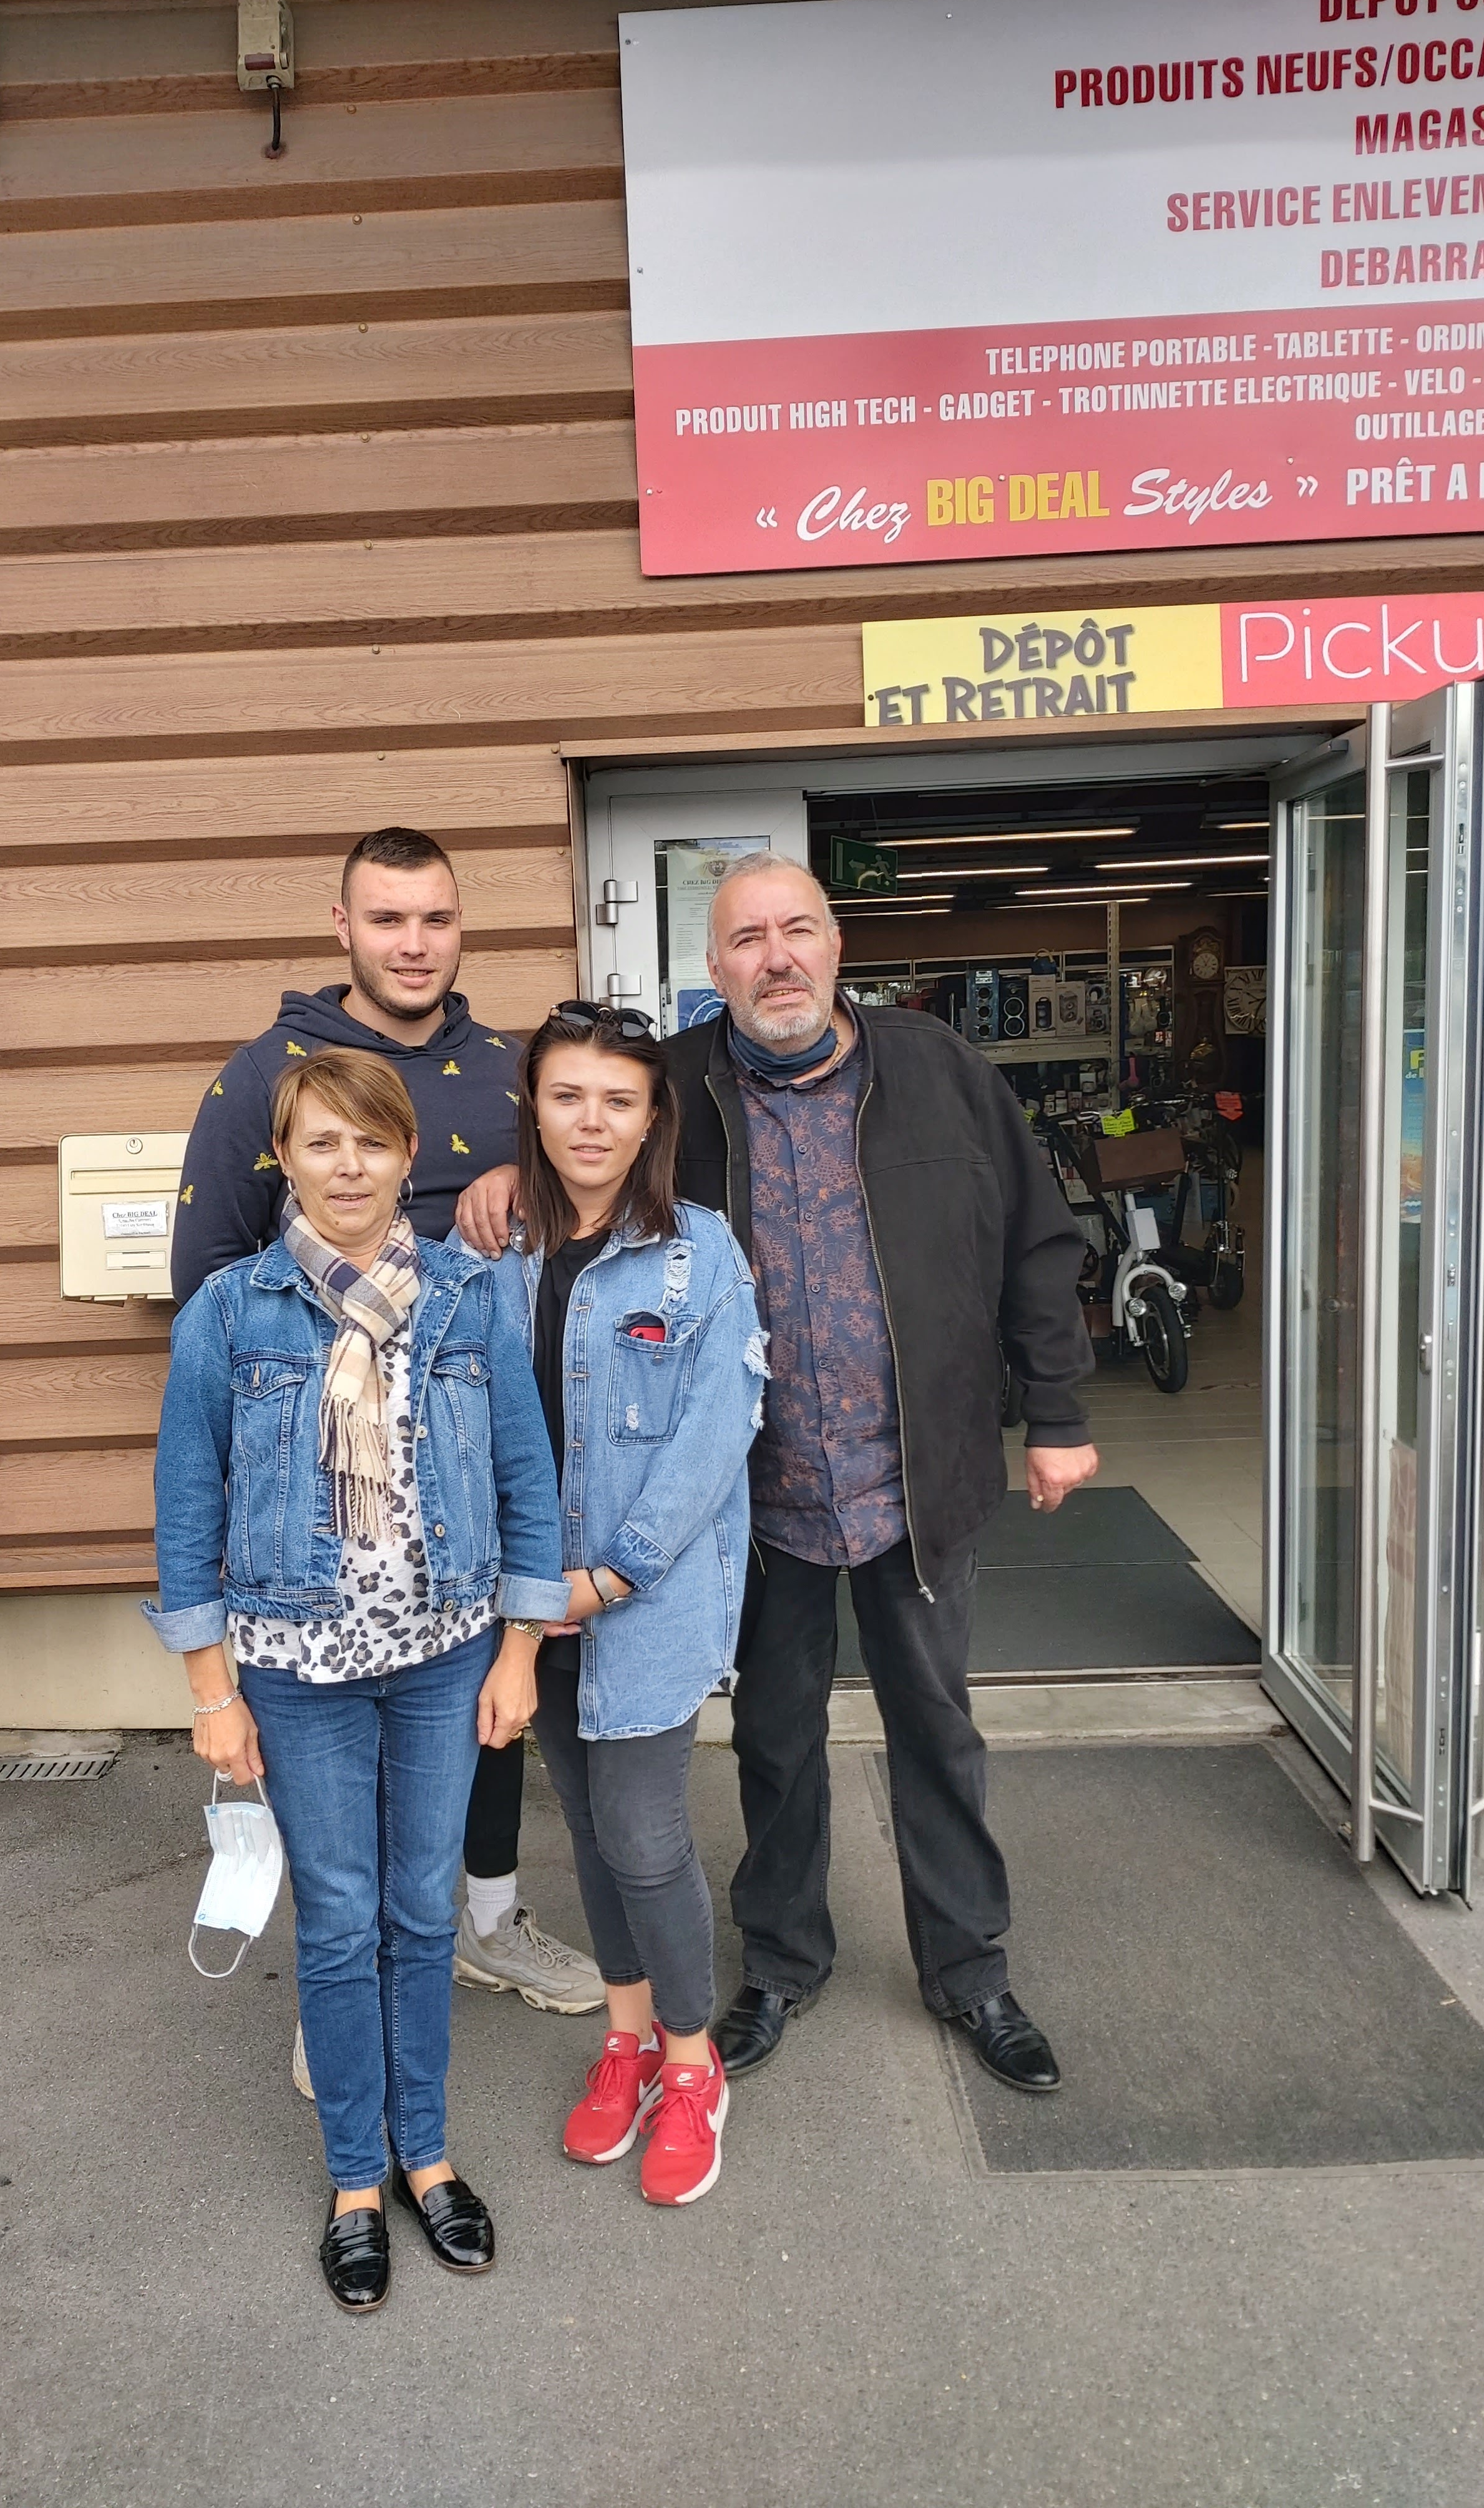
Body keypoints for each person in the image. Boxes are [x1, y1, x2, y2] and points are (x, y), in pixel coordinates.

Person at [457, 854, 1098, 2094]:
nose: (777, 958)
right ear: (716, 967)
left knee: (936, 1730)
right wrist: (502, 1176)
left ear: (837, 944)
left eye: (797, 929)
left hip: (914, 1476)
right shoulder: (678, 1089)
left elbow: (1036, 1235)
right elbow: (578, 1152)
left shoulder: (937, 1069)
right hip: (755, 1492)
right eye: (748, 939)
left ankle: (971, 1971)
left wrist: (1057, 1409)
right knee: (776, 1739)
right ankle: (784, 1963)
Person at [171, 826, 603, 2099]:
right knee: (336, 1768)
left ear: (461, 926)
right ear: (344, 926)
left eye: (436, 919)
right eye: (388, 919)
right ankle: (345, 1987)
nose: (414, 945)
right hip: (322, 1503)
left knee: (482, 1716)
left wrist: (524, 1169)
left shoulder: (514, 1072)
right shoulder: (263, 1076)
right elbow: (211, 1286)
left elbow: (597, 1190)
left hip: (482, 1446)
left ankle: (489, 1919)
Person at [147, 1048, 570, 2315]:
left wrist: (520, 1651)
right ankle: (352, 2183)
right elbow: (188, 1504)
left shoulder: (470, 1297)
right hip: (297, 1669)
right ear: (285, 1157)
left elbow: (527, 1478)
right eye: (322, 1143)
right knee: (337, 1923)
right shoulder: (231, 1311)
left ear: (407, 1156)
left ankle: (426, 2157)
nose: (348, 1167)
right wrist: (211, 1689)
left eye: (371, 1143)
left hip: (443, 1656)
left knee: (424, 1916)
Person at [500, 1003, 763, 2205]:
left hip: (642, 1600)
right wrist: (523, 1589)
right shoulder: (496, 1254)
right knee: (592, 1832)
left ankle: (693, 2063)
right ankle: (627, 2040)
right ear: (535, 1109)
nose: (592, 1122)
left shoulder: (699, 1253)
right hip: (528, 1601)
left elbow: (717, 1435)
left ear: (654, 1117)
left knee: (647, 1836)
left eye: (619, 1100)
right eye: (568, 1097)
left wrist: (611, 1577)